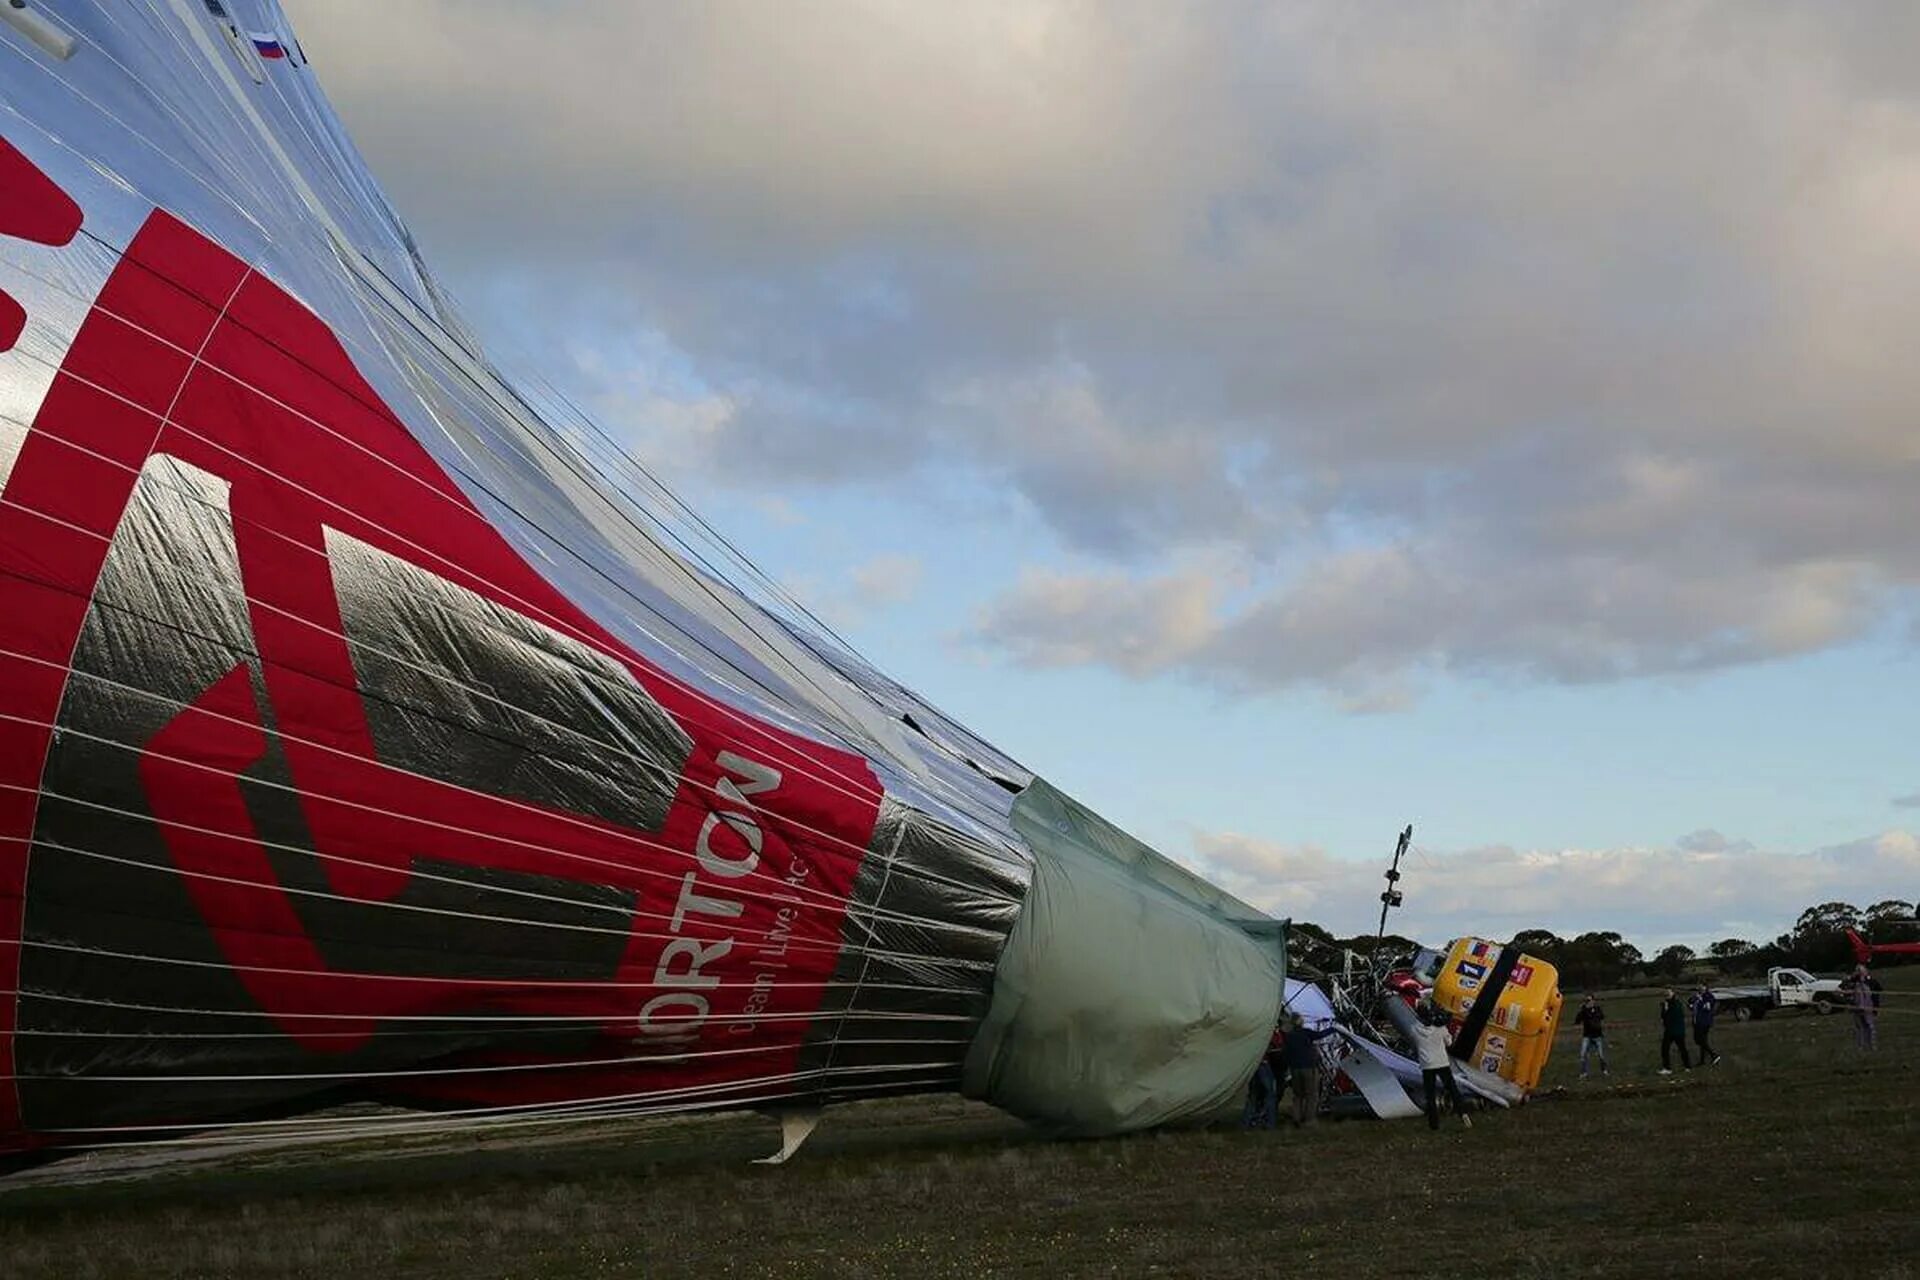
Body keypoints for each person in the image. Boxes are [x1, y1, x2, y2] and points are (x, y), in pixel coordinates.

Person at [1412, 1003, 1471, 1131]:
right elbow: (1449, 1043)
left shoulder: (1414, 1029)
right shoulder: (1441, 1029)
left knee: (1430, 1094)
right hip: (1442, 1062)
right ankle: (1463, 1113)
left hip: (1427, 1065)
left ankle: (1434, 1124)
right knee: (1452, 1089)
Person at [1278, 1012, 1334, 1127]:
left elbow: (1285, 1053)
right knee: (1311, 1094)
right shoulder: (1306, 1033)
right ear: (1299, 1021)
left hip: (1295, 1069)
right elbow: (1320, 1035)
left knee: (1298, 1095)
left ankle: (1296, 1117)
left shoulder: (1289, 1036)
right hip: (1308, 1067)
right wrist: (1334, 1029)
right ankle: (1309, 1119)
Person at [1243, 1025, 1281, 1128]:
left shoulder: (1250, 1032)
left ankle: (1247, 1121)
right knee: (1270, 1093)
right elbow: (1277, 1043)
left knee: (1253, 1095)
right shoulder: (1267, 1031)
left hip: (1252, 1065)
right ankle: (1269, 1122)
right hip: (1263, 1064)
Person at [1843, 965, 1882, 1050]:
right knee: (1859, 1027)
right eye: (1858, 971)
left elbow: (1877, 992)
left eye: (1861, 971)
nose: (1860, 973)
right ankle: (1860, 1046)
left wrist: (1875, 1008)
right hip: (1857, 1009)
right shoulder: (1853, 982)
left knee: (1869, 1026)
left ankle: (1871, 1045)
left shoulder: (1871, 981)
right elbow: (1843, 988)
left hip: (1868, 1008)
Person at [1573, 994, 1609, 1080]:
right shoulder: (1584, 1011)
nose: (1588, 1002)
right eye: (1587, 1001)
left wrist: (1593, 1011)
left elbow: (1601, 1017)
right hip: (1587, 1036)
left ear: (1593, 1001)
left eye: (1590, 1000)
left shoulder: (1597, 1009)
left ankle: (1604, 1070)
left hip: (1597, 1036)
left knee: (1601, 1055)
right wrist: (1582, 1011)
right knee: (1583, 1055)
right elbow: (1577, 1021)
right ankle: (1583, 1072)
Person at [1657, 987, 1692, 1074]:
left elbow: (1672, 1016)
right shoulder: (1666, 1003)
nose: (1667, 994)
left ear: (1673, 993)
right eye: (1665, 993)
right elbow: (1664, 1017)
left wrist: (1666, 1010)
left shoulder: (1676, 1003)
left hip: (1677, 1030)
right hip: (1670, 1030)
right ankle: (1667, 1068)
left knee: (1682, 1048)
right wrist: (1664, 1010)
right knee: (1665, 1049)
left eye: (1669, 993)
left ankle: (1687, 1066)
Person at [1689, 981, 1722, 1066]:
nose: (1700, 988)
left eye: (1702, 986)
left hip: (1704, 1022)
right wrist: (1692, 1003)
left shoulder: (1709, 996)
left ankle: (1714, 1055)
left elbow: (1707, 1007)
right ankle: (1702, 1060)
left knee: (1700, 1040)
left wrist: (1700, 1000)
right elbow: (1691, 1004)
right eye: (1699, 986)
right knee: (1701, 1041)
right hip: (1696, 1021)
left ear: (1706, 987)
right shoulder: (1697, 996)